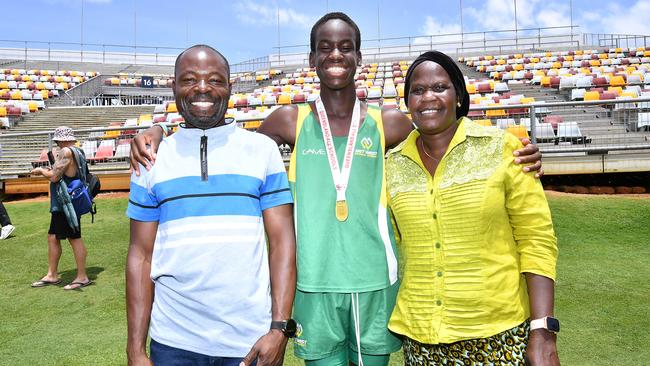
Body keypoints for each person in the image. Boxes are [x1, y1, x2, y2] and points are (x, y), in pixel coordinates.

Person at [130, 13, 543, 366]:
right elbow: (228, 143)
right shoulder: (289, 120)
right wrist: (159, 129)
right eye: (325, 47)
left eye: (346, 46)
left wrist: (514, 147)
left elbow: (443, 133)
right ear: (311, 58)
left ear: (359, 57)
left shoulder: (389, 123)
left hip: (375, 282)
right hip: (312, 285)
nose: (335, 55)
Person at [125, 44, 296, 366]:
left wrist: (278, 329)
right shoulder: (150, 157)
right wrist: (135, 349)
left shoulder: (262, 151)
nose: (202, 88)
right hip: (173, 341)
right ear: (174, 86)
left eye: (215, 80)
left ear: (230, 87)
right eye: (189, 79)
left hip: (250, 340)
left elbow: (283, 243)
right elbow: (140, 255)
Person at [385, 50, 559, 365]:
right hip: (421, 341)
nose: (428, 97)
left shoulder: (505, 148)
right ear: (408, 103)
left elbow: (537, 240)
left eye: (440, 87)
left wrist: (543, 331)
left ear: (459, 97)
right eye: (418, 90)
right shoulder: (391, 166)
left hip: (498, 337)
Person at [30, 126, 92, 290]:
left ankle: (82, 276)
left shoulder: (66, 152)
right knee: (53, 237)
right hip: (65, 203)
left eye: (57, 141)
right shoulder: (78, 151)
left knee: (74, 238)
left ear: (61, 139)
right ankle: (52, 274)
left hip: (66, 203)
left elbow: (55, 176)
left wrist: (41, 171)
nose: (56, 144)